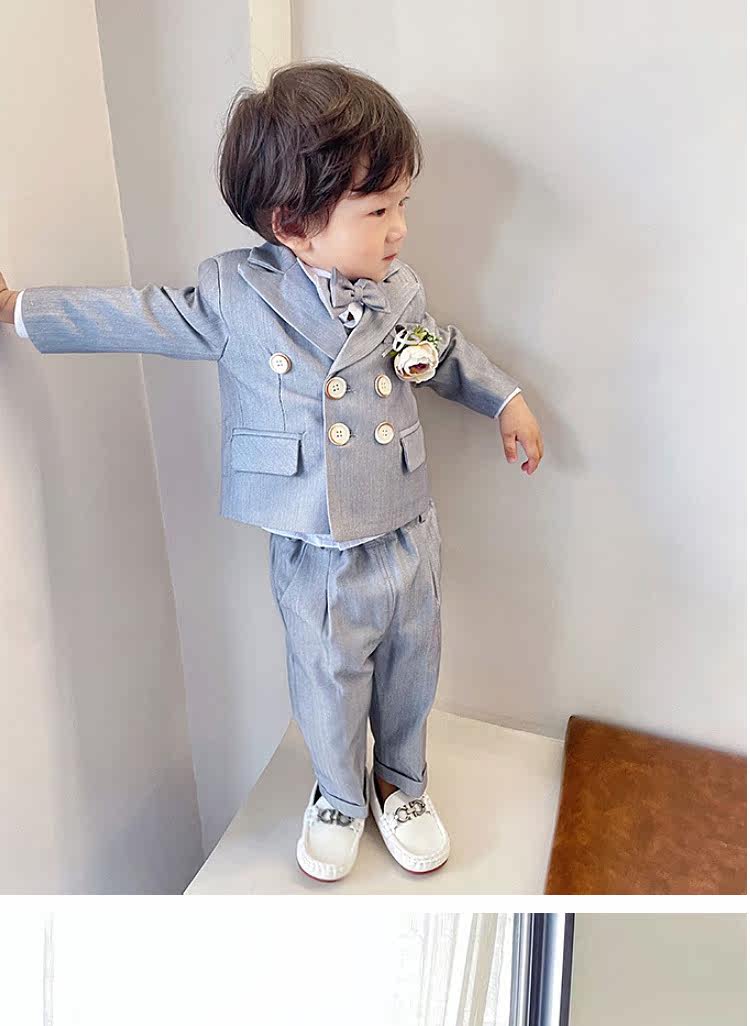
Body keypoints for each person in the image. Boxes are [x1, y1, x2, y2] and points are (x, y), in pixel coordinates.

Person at [0, 59, 544, 882]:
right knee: (326, 676)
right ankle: (339, 794)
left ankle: (401, 781)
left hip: (406, 526)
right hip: (313, 536)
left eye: (403, 204)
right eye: (378, 209)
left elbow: (443, 351)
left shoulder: (398, 290)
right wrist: (20, 308)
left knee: (413, 667)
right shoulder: (236, 293)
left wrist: (504, 399)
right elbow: (141, 315)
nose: (400, 229)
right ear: (292, 223)